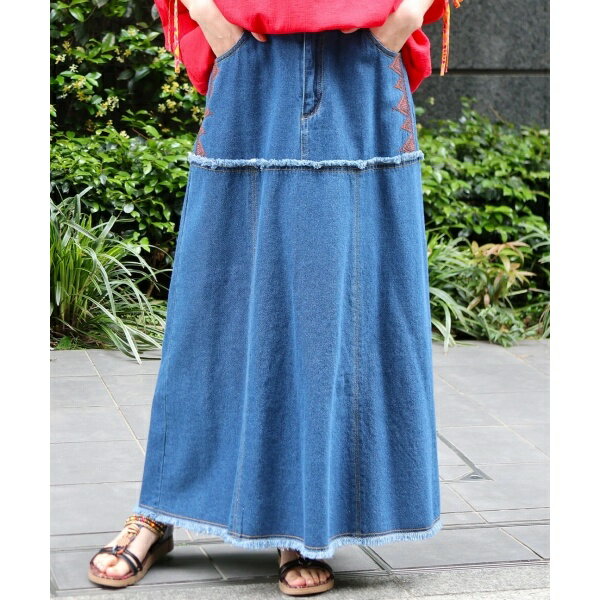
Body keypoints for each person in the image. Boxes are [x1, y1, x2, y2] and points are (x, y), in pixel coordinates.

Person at [87, 0, 463, 595]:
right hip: (249, 57)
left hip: (362, 60)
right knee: (212, 303)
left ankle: (301, 521)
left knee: (336, 311)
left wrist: (406, 17)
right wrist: (211, 19)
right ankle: (159, 508)